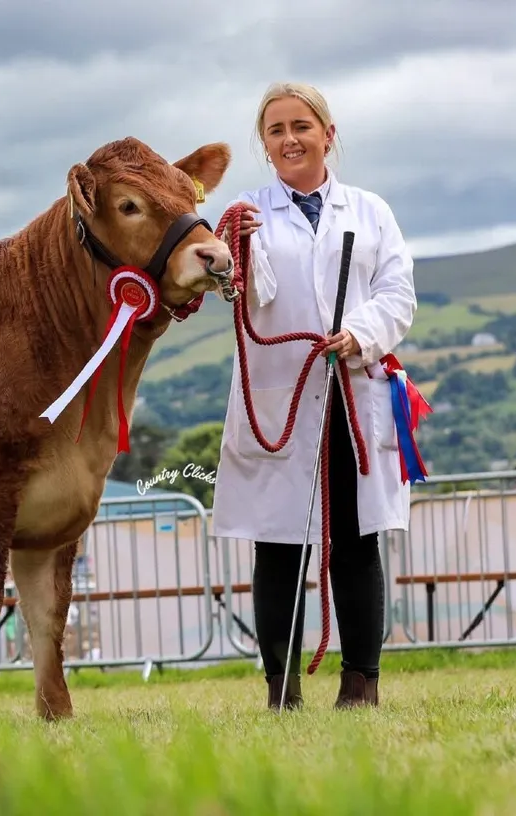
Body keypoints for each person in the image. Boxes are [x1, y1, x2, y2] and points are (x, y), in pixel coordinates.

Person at [210, 81, 417, 710]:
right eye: (275, 130)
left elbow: (397, 293)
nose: (290, 138)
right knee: (278, 545)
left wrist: (357, 333)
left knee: (356, 541)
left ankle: (361, 683)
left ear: (329, 134)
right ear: (264, 145)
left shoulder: (370, 211)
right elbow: (250, 293)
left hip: (353, 390)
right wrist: (236, 251)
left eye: (302, 125)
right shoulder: (247, 211)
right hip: (283, 398)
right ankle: (283, 689)